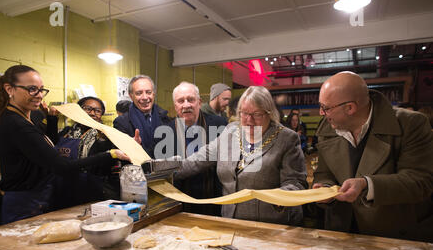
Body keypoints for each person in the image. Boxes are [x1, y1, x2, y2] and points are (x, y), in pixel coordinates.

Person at [0, 65, 130, 225]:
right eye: (32, 89)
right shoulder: (17, 123)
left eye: (41, 90)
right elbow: (60, 164)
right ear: (9, 89)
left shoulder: (24, 119)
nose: (39, 95)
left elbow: (46, 148)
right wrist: (111, 154)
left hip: (50, 196)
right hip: (25, 201)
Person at [313, 71, 433, 242]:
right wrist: (325, 187)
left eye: (325, 107)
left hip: (393, 236)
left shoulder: (411, 124)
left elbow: (421, 182)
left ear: (350, 108)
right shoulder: (329, 127)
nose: (321, 113)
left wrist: (367, 185)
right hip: (342, 234)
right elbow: (325, 173)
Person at [174, 86, 307, 225]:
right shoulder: (230, 131)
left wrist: (281, 197)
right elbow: (196, 160)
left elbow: (296, 182)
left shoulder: (286, 139)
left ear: (269, 113)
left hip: (270, 226)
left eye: (256, 114)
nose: (249, 120)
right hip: (230, 222)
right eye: (244, 113)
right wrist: (157, 169)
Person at [160, 82, 227, 216]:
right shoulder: (163, 132)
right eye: (181, 101)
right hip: (179, 206)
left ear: (199, 102)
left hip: (214, 203)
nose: (186, 105)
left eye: (191, 99)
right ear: (175, 106)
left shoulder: (220, 126)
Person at [53, 96, 120, 208]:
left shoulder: (106, 136)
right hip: (62, 187)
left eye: (97, 111)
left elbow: (105, 167)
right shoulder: (66, 132)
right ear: (79, 110)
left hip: (89, 189)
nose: (92, 113)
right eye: (88, 109)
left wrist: (103, 141)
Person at [113, 75, 171, 158]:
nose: (145, 97)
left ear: (154, 94)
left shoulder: (165, 118)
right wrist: (131, 148)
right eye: (139, 93)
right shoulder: (121, 123)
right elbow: (119, 154)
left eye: (148, 92)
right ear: (131, 96)